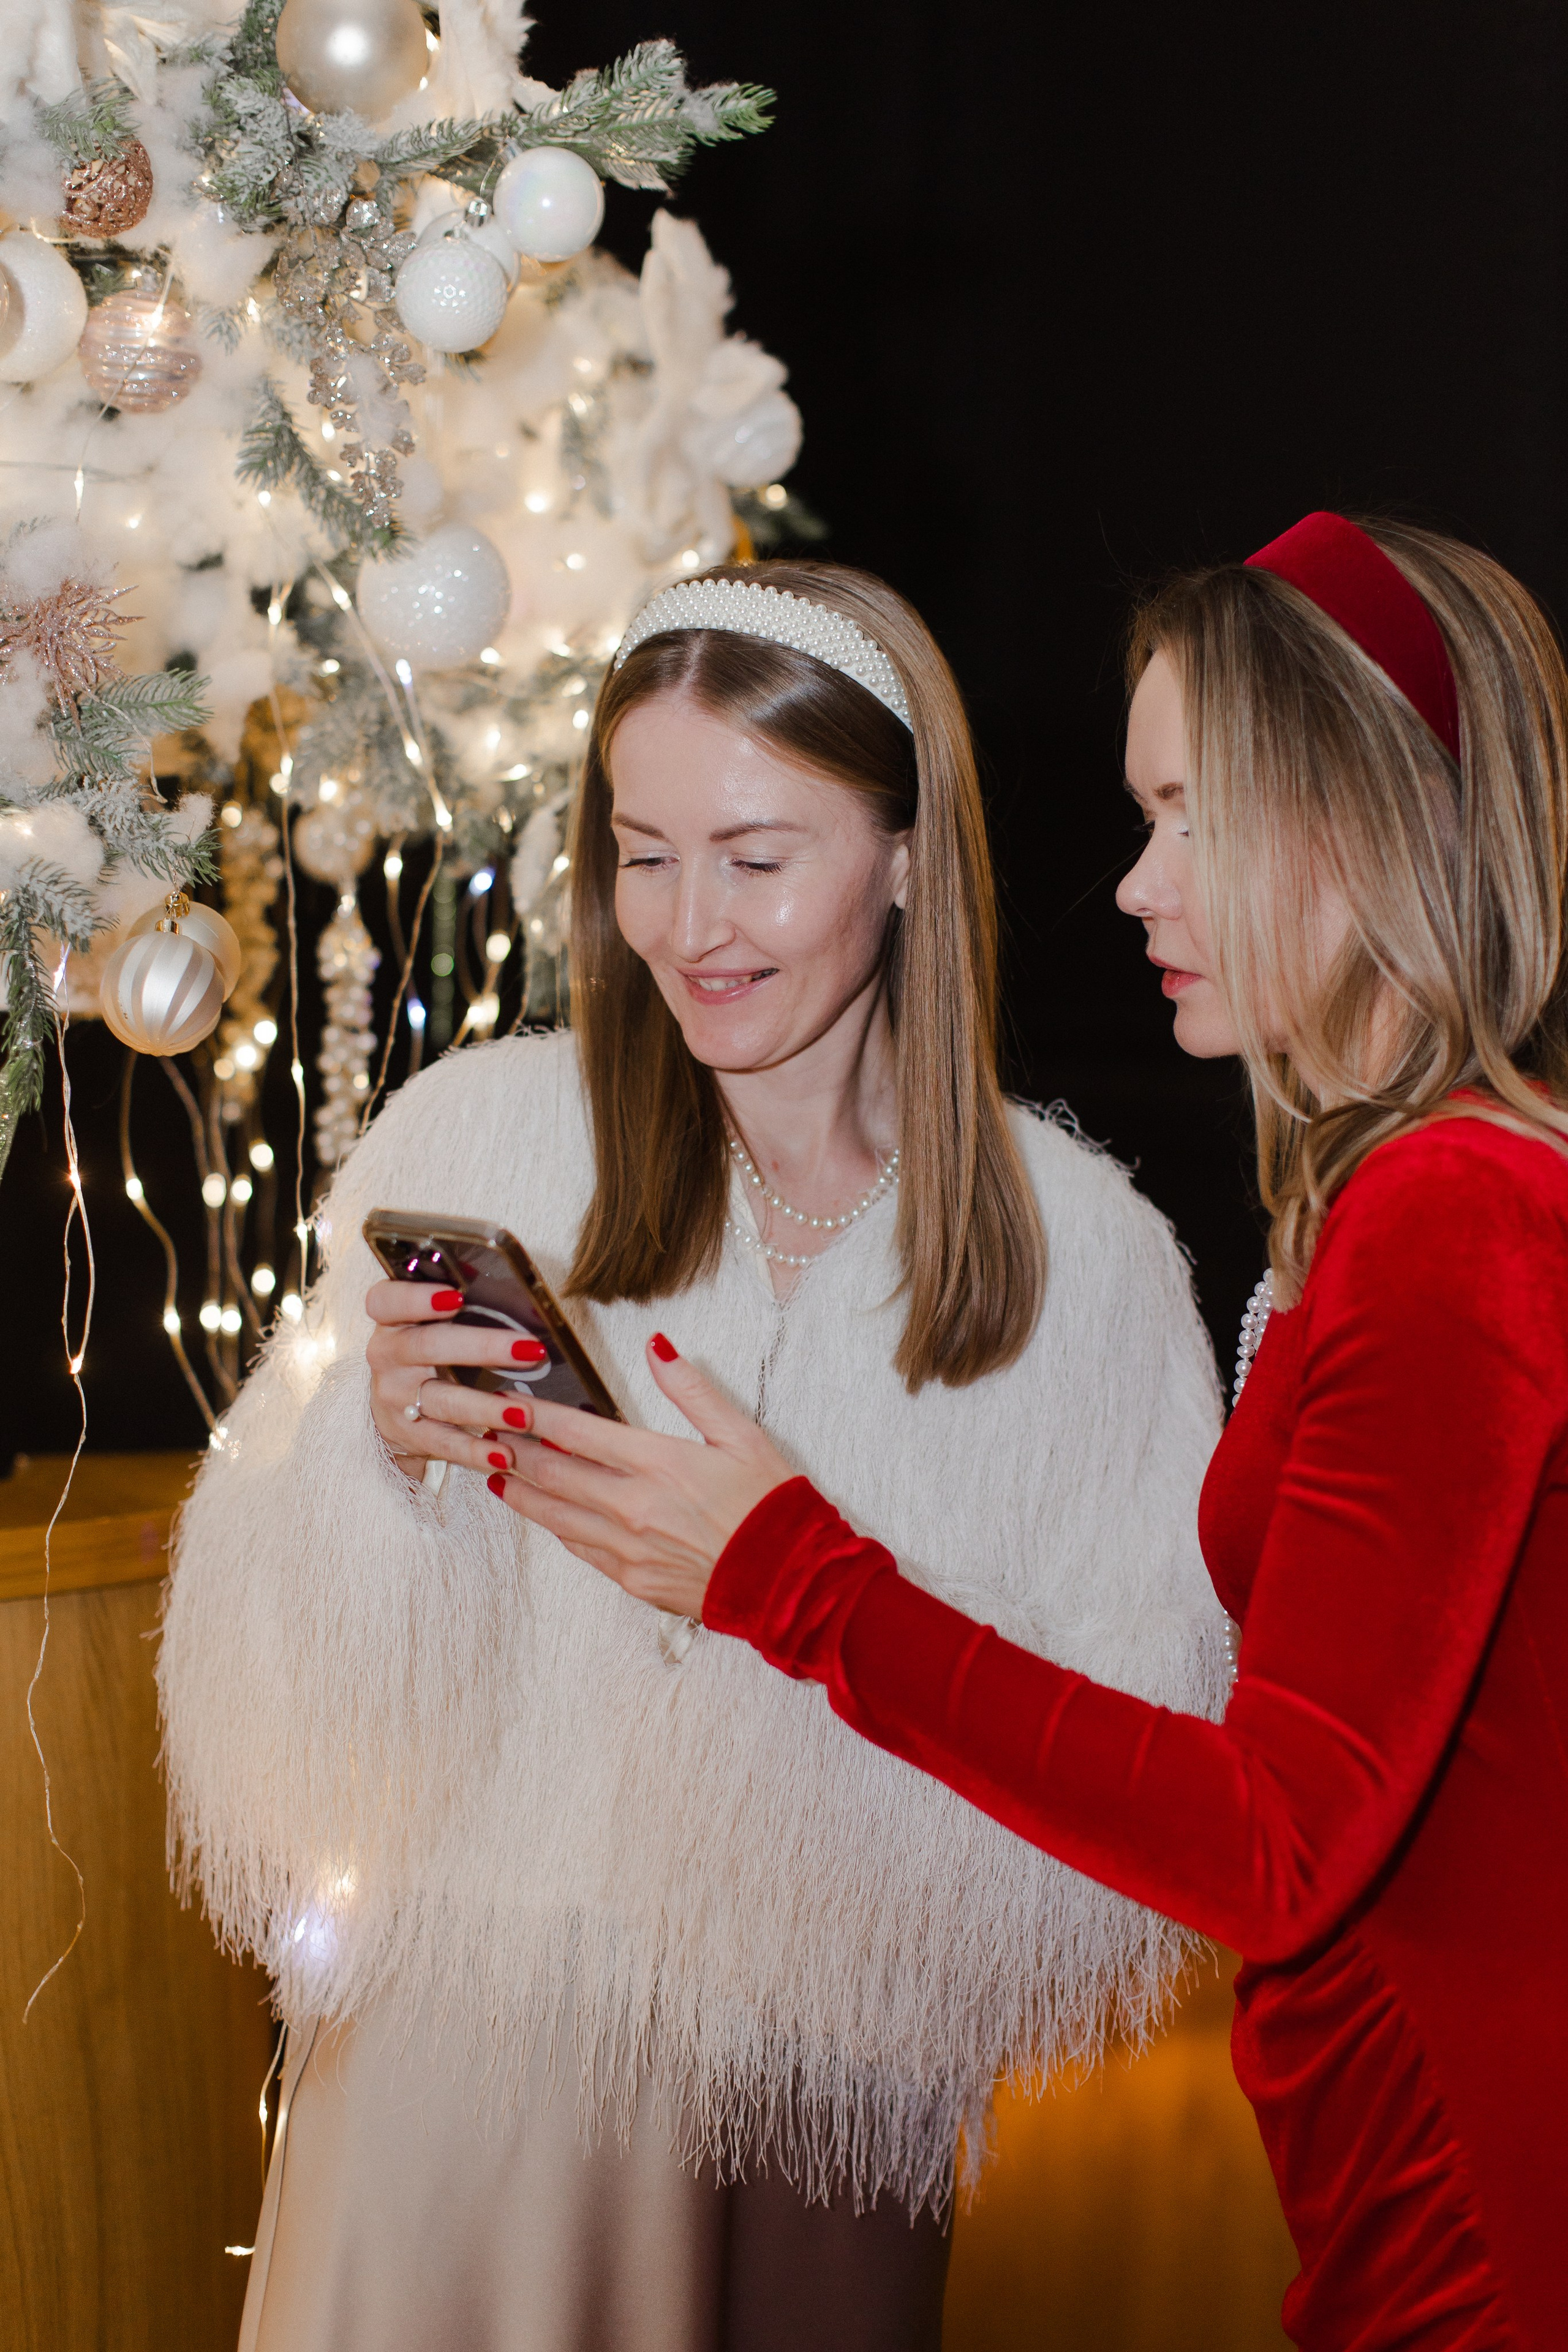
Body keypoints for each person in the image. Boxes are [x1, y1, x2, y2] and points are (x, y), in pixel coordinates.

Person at [498, 516, 1568, 2351]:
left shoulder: (1454, 1210)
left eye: (1191, 818)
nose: (1140, 890)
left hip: (1477, 2202)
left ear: (1379, 819)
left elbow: (1274, 1843)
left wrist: (794, 1580)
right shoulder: (1416, 1187)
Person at [158, 559, 1232, 2352]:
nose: (689, 924)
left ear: (904, 851)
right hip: (463, 2088)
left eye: (756, 854)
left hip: (827, 2120)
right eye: (641, 852)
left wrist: (809, 1599)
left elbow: (1136, 1775)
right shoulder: (484, 1130)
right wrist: (377, 1475)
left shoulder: (1083, 1254)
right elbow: (262, 1705)